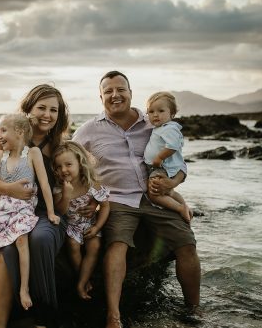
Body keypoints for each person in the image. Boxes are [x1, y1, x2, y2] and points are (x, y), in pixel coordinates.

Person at [72, 71, 201, 328]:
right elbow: (69, 163)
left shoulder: (153, 122)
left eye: (121, 89)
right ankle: (114, 316)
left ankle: (194, 309)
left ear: (131, 93)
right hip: (117, 200)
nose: (115, 95)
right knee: (117, 245)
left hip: (155, 198)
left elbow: (176, 160)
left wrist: (174, 185)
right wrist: (85, 198)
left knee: (186, 242)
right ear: (101, 97)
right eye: (108, 91)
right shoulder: (88, 130)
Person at [0, 84, 94, 328]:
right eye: (41, 107)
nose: (47, 114)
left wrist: (95, 200)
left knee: (41, 239)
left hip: (46, 213)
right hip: (11, 212)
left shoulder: (60, 147)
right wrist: (11, 189)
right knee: (8, 249)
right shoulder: (6, 137)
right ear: (28, 109)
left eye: (54, 110)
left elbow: (83, 176)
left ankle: (45, 317)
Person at [0, 114, 61, 311]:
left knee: (21, 241)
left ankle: (24, 289)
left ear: (20, 132)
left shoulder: (32, 154)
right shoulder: (0, 156)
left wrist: (50, 212)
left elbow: (45, 184)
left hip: (23, 208)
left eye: (3, 130)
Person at [52, 141, 110, 301]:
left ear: (80, 162)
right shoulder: (60, 187)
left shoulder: (92, 184)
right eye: (58, 166)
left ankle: (82, 282)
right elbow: (60, 211)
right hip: (72, 226)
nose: (63, 170)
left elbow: (105, 206)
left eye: (68, 164)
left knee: (94, 246)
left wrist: (97, 227)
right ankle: (83, 279)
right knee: (72, 245)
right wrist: (66, 195)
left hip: (90, 223)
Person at [144, 92, 191, 223]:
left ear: (172, 114)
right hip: (155, 166)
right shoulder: (160, 127)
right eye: (151, 111)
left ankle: (180, 208)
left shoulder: (169, 128)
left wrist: (159, 158)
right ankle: (185, 207)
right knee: (169, 192)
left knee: (154, 194)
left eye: (161, 111)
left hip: (161, 166)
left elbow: (173, 145)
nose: (155, 114)